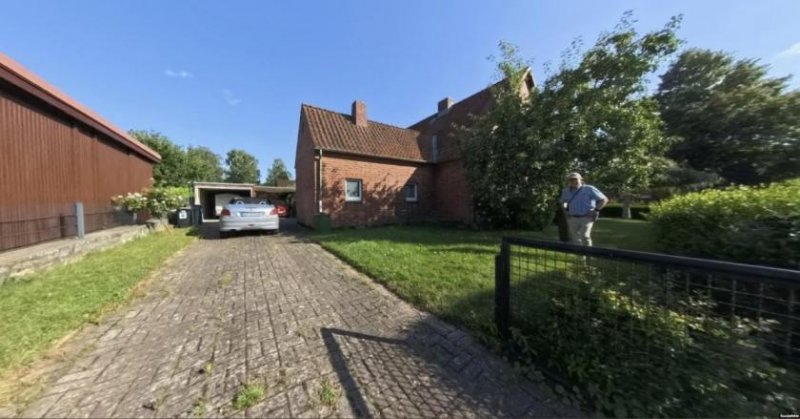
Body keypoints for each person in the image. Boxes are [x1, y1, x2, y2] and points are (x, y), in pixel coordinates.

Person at [559, 173, 608, 246]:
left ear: (581, 180)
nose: (573, 181)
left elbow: (604, 199)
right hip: (572, 217)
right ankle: (580, 256)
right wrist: (565, 211)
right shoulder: (565, 191)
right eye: (571, 179)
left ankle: (588, 254)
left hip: (586, 217)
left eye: (575, 179)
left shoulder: (589, 189)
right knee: (575, 238)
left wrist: (596, 210)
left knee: (585, 236)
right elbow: (563, 202)